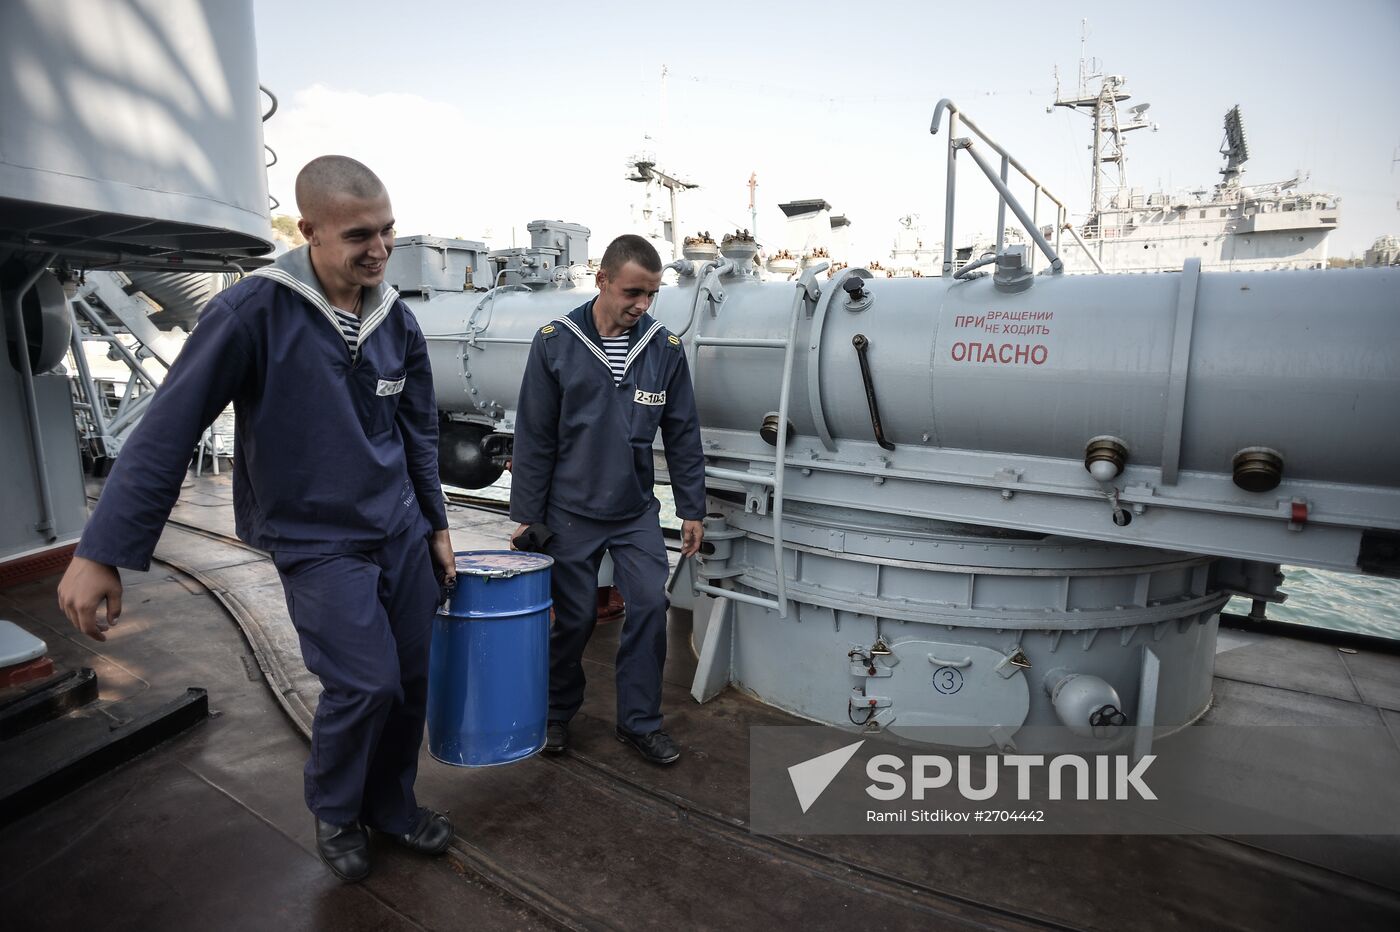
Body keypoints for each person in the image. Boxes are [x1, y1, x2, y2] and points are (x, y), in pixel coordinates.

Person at [57, 155, 456, 883]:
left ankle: (392, 806)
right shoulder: (253, 312)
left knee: (411, 678)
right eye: (360, 234)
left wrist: (436, 527)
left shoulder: (396, 318)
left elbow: (417, 432)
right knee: (366, 683)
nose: (379, 249)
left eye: (389, 231)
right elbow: (168, 430)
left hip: (397, 526)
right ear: (309, 231)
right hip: (315, 536)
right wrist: (102, 547)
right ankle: (338, 808)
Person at [509, 234, 705, 765]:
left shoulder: (663, 350)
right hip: (569, 512)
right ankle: (554, 715)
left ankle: (638, 723)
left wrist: (691, 507)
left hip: (635, 510)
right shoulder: (555, 341)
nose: (641, 305)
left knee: (650, 605)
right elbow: (535, 434)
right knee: (572, 619)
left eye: (652, 295)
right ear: (602, 281)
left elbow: (682, 432)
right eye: (632, 293)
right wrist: (526, 515)